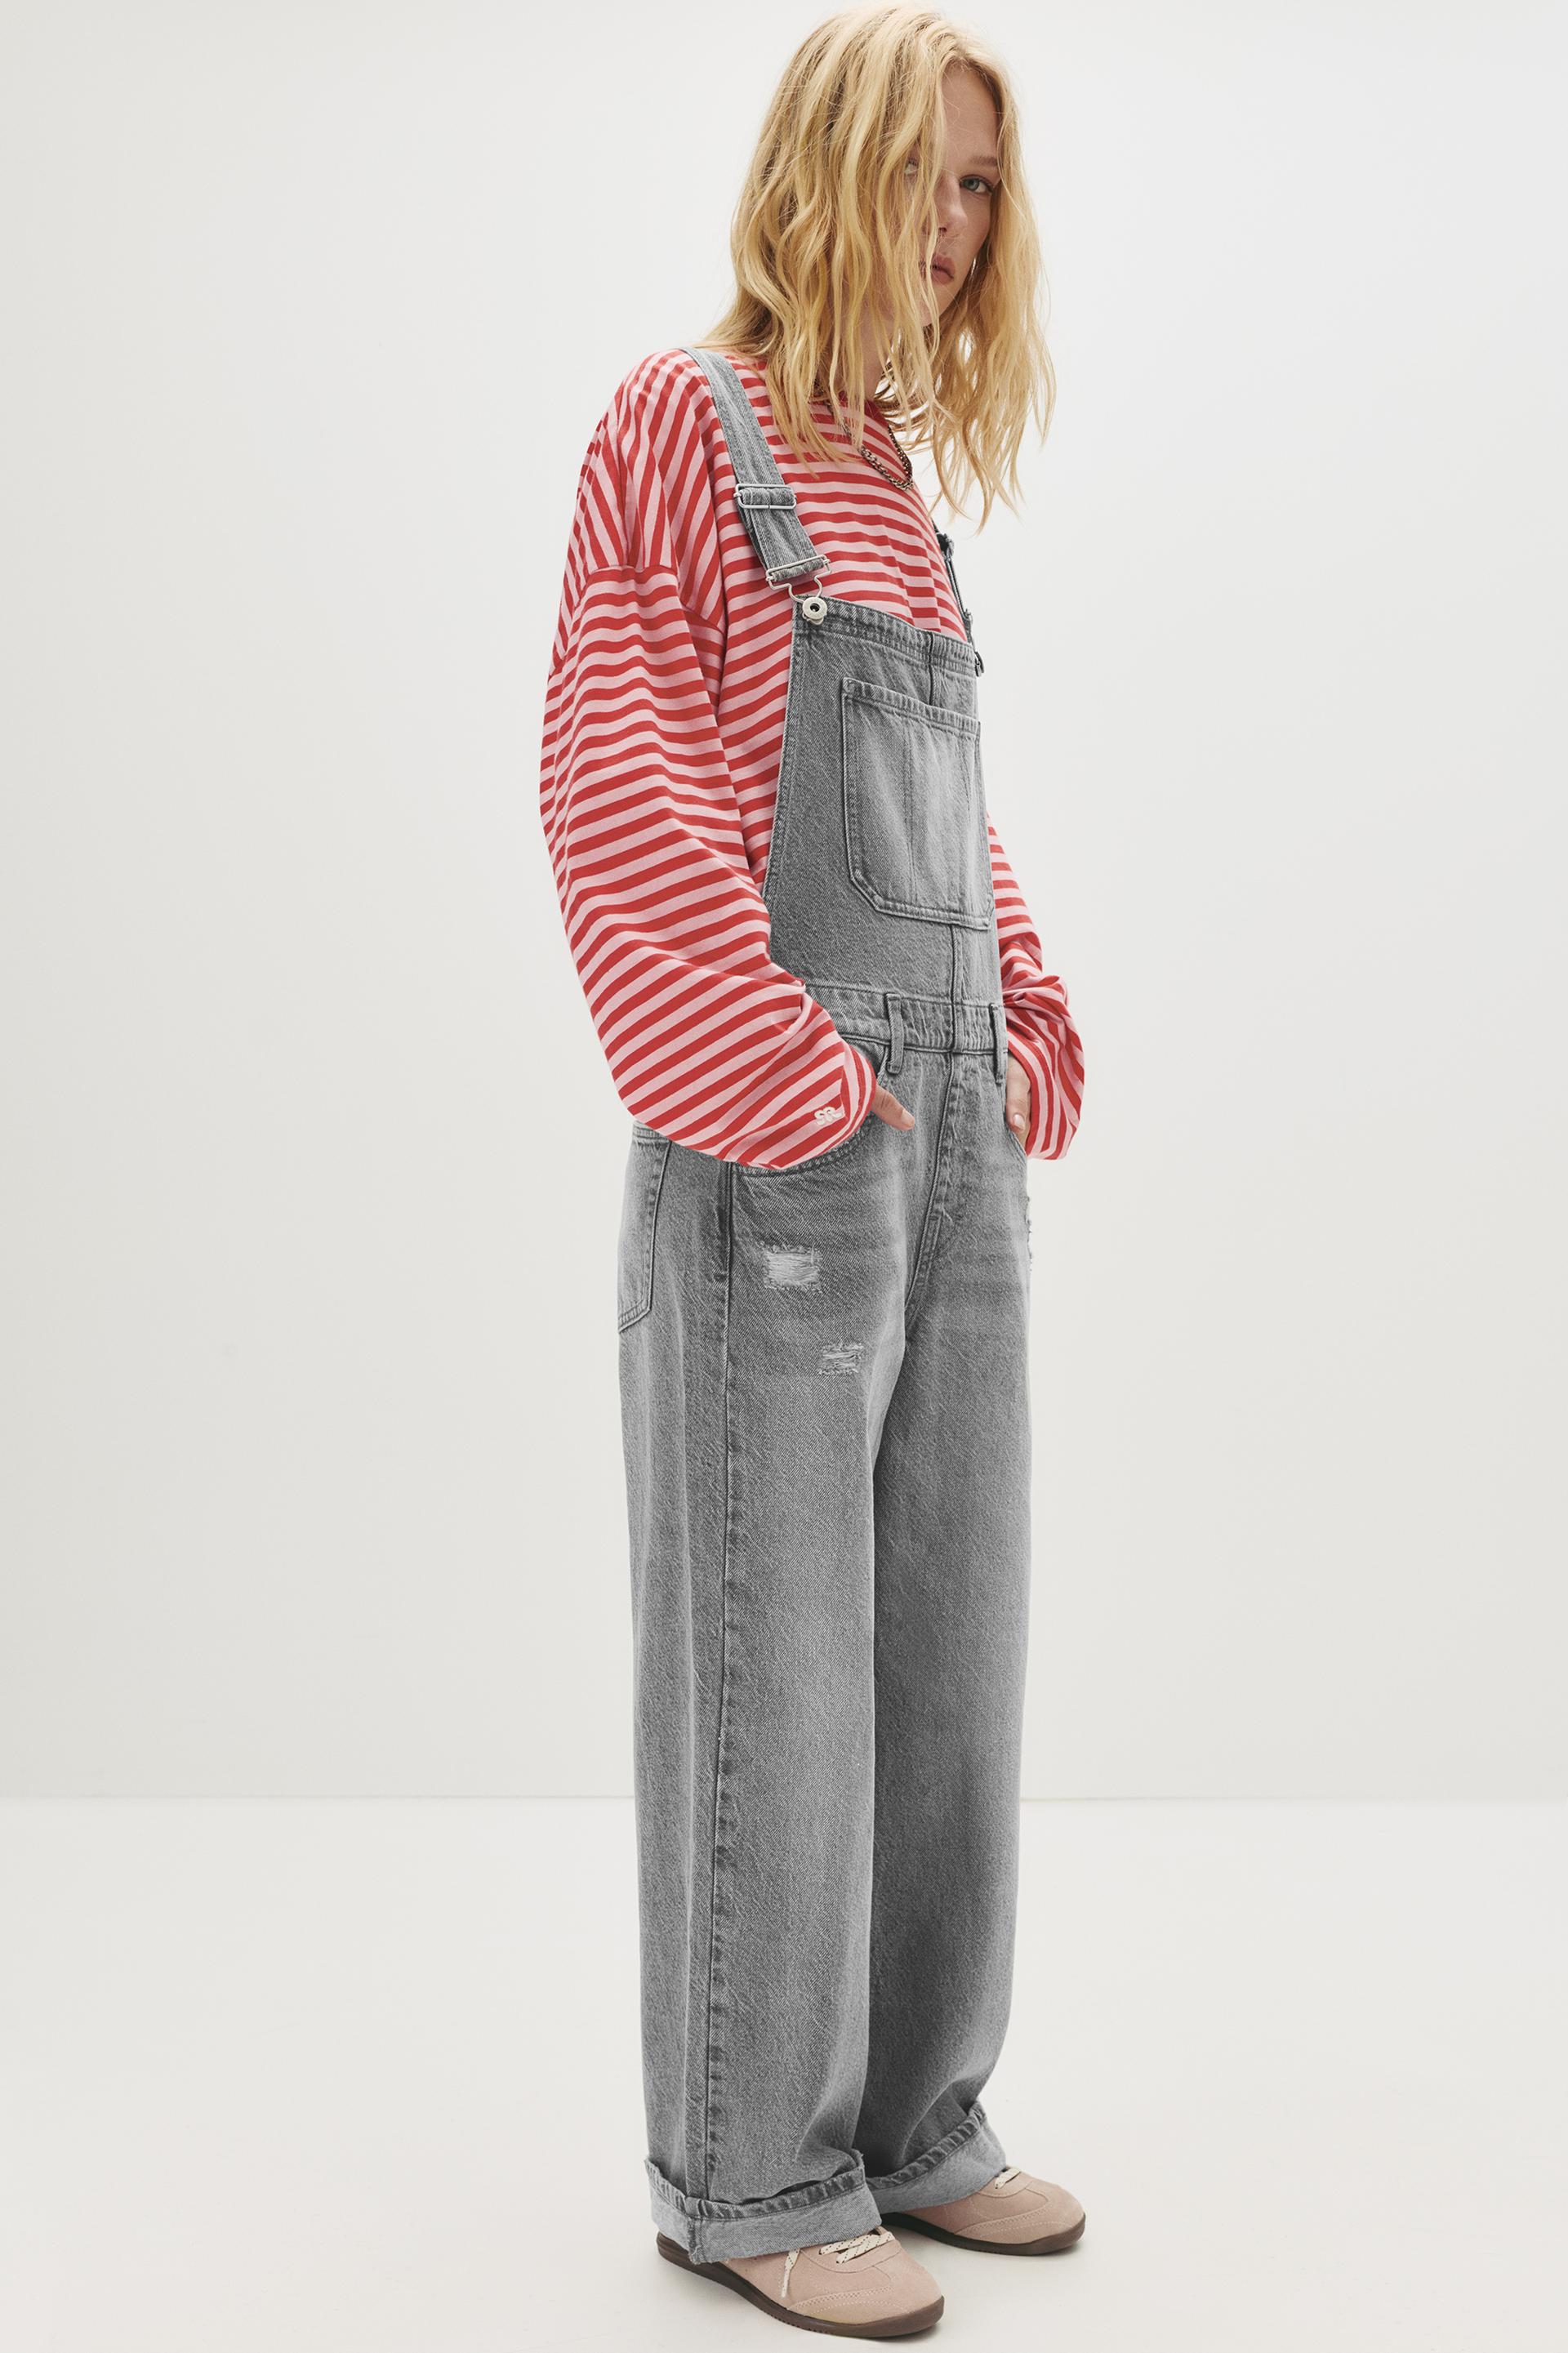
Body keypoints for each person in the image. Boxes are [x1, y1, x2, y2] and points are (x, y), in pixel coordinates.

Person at [540, 5, 1086, 2334]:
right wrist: (787, 1081)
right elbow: (614, 777)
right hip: (778, 1145)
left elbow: (939, 822)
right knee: (775, 1657)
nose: (952, 229)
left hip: (945, 1142)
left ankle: (915, 2121)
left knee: (950, 1636)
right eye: (923, 175)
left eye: (982, 190)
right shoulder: (690, 425)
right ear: (819, 167)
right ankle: (755, 2170)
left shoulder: (889, 481)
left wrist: (1020, 990)